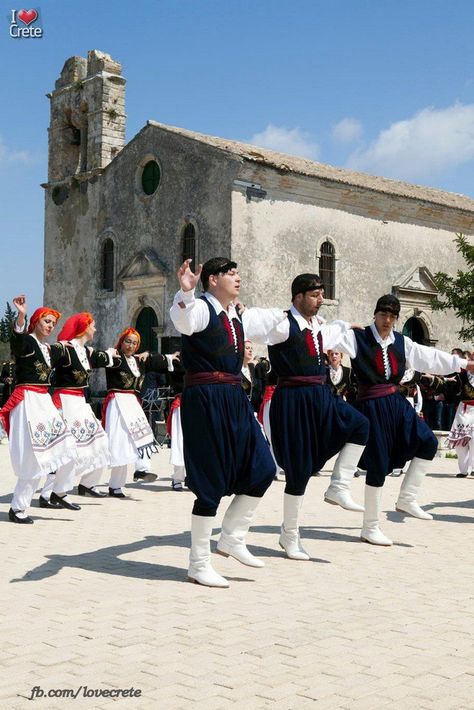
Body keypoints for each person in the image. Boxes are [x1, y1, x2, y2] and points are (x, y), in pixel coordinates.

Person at [170, 257, 282, 588]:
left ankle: (232, 536)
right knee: (210, 482)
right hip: (205, 397)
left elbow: (279, 322)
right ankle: (198, 563)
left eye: (237, 272)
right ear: (213, 279)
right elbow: (184, 321)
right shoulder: (202, 308)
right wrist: (186, 292)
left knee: (263, 467)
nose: (238, 277)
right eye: (231, 274)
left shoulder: (236, 315)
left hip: (234, 397)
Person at [336, 295, 474, 545]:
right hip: (371, 405)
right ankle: (370, 526)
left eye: (392, 316)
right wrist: (343, 325)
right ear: (375, 314)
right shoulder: (358, 338)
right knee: (377, 465)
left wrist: (464, 364)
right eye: (383, 314)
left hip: (397, 403)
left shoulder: (402, 342)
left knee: (429, 442)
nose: (387, 320)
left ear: (396, 318)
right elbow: (325, 336)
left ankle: (407, 498)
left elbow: (430, 357)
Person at [250, 273, 369, 561]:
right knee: (299, 471)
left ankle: (338, 486)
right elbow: (253, 324)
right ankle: (289, 535)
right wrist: (240, 311)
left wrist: (349, 327)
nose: (320, 300)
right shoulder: (281, 324)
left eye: (321, 295)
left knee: (360, 425)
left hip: (320, 396)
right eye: (315, 295)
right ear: (298, 296)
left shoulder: (318, 326)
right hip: (292, 399)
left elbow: (334, 333)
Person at [0, 295, 77, 523]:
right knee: (33, 457)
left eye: (53, 323)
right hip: (28, 401)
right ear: (36, 322)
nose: (50, 326)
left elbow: (66, 350)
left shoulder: (46, 348)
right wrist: (21, 315)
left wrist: (69, 342)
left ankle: (56, 492)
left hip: (43, 400)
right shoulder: (28, 343)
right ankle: (19, 508)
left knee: (66, 445)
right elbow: (17, 341)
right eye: (46, 321)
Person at [50, 312, 116, 508]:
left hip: (80, 402)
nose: (95, 329)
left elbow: (106, 357)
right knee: (67, 448)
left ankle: (87, 484)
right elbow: (44, 356)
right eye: (93, 325)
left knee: (101, 441)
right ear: (84, 327)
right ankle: (55, 492)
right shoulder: (65, 349)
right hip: (65, 400)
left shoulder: (86, 351)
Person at [102, 327, 174, 497]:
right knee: (120, 442)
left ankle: (141, 469)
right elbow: (100, 359)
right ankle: (115, 485)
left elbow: (160, 361)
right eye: (128, 341)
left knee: (143, 436)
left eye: (135, 343)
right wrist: (108, 352)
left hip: (133, 403)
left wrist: (149, 353)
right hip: (117, 401)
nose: (131, 346)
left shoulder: (138, 361)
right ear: (121, 342)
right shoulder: (115, 358)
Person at [448, 351, 474, 477]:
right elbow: (451, 390)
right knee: (459, 442)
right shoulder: (461, 375)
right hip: (463, 410)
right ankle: (463, 470)